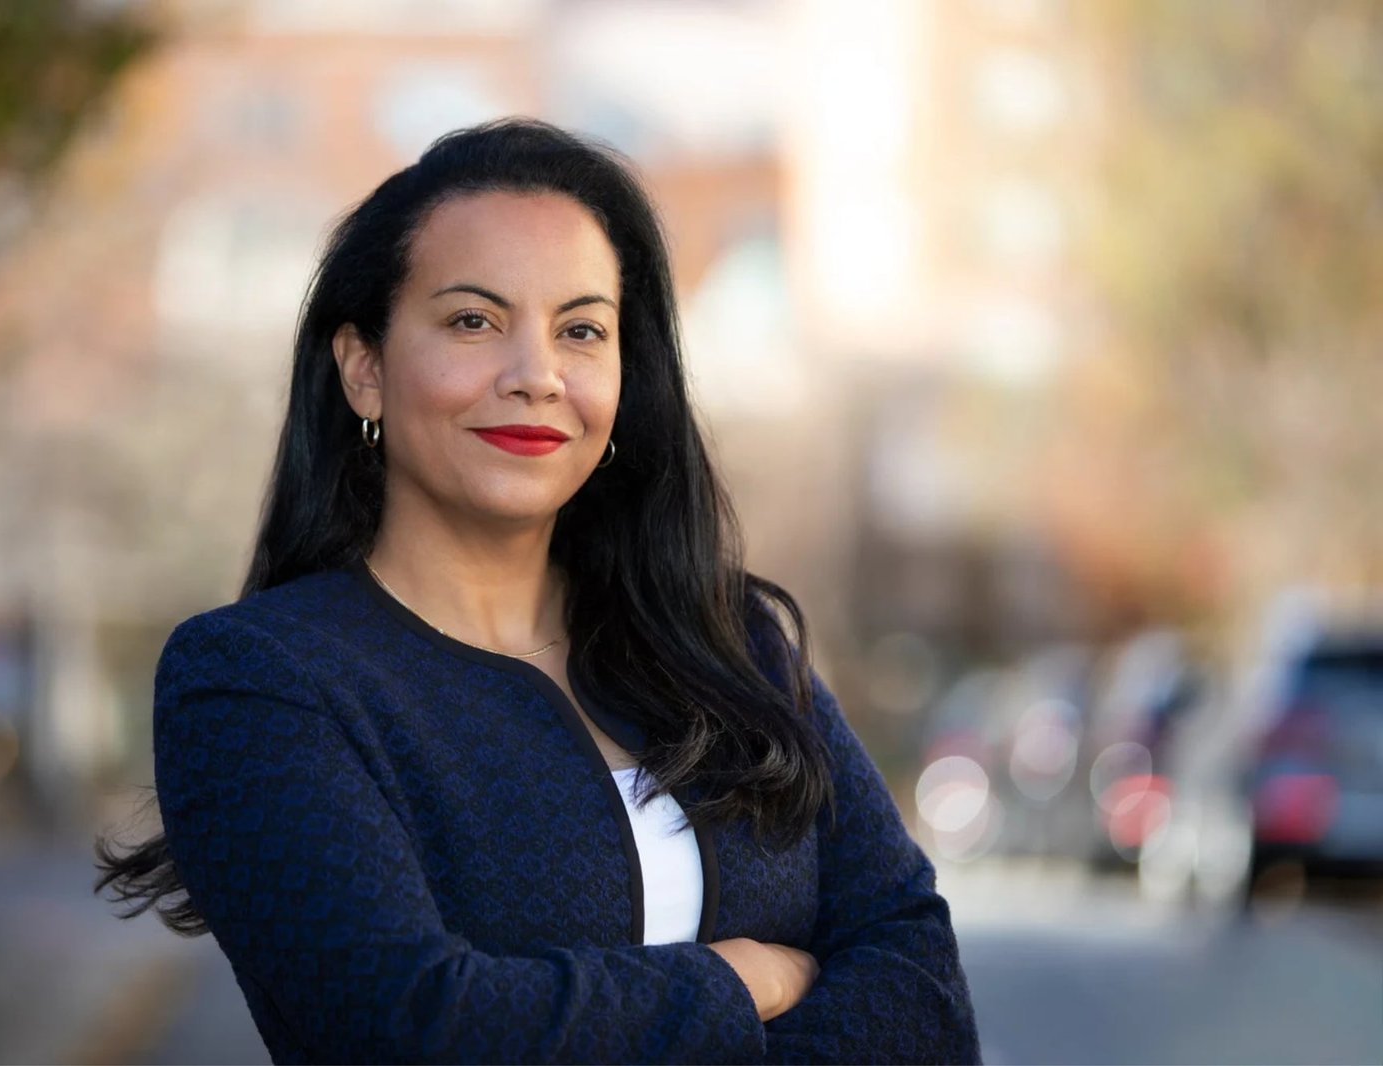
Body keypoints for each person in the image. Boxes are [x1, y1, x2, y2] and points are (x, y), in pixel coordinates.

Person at [96, 117, 981, 1065]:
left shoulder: (732, 641)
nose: (537, 376)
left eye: (581, 331)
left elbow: (923, 990)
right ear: (364, 369)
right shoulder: (260, 680)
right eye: (473, 321)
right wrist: (736, 982)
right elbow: (412, 1030)